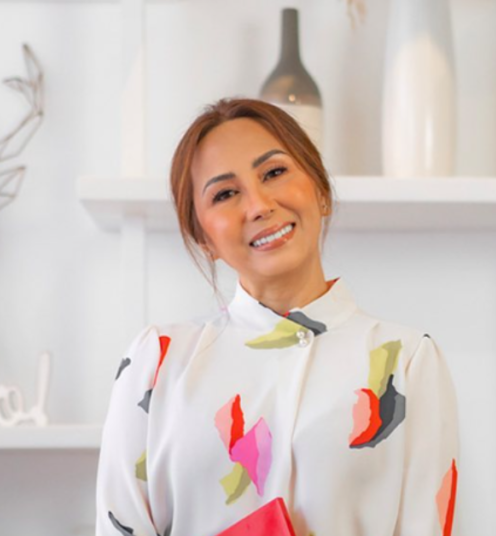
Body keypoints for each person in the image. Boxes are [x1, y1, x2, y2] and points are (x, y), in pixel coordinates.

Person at [95, 98, 460, 536]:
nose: (259, 205)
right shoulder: (157, 362)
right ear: (203, 236)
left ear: (321, 191)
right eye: (225, 194)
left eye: (274, 173)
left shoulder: (407, 360)